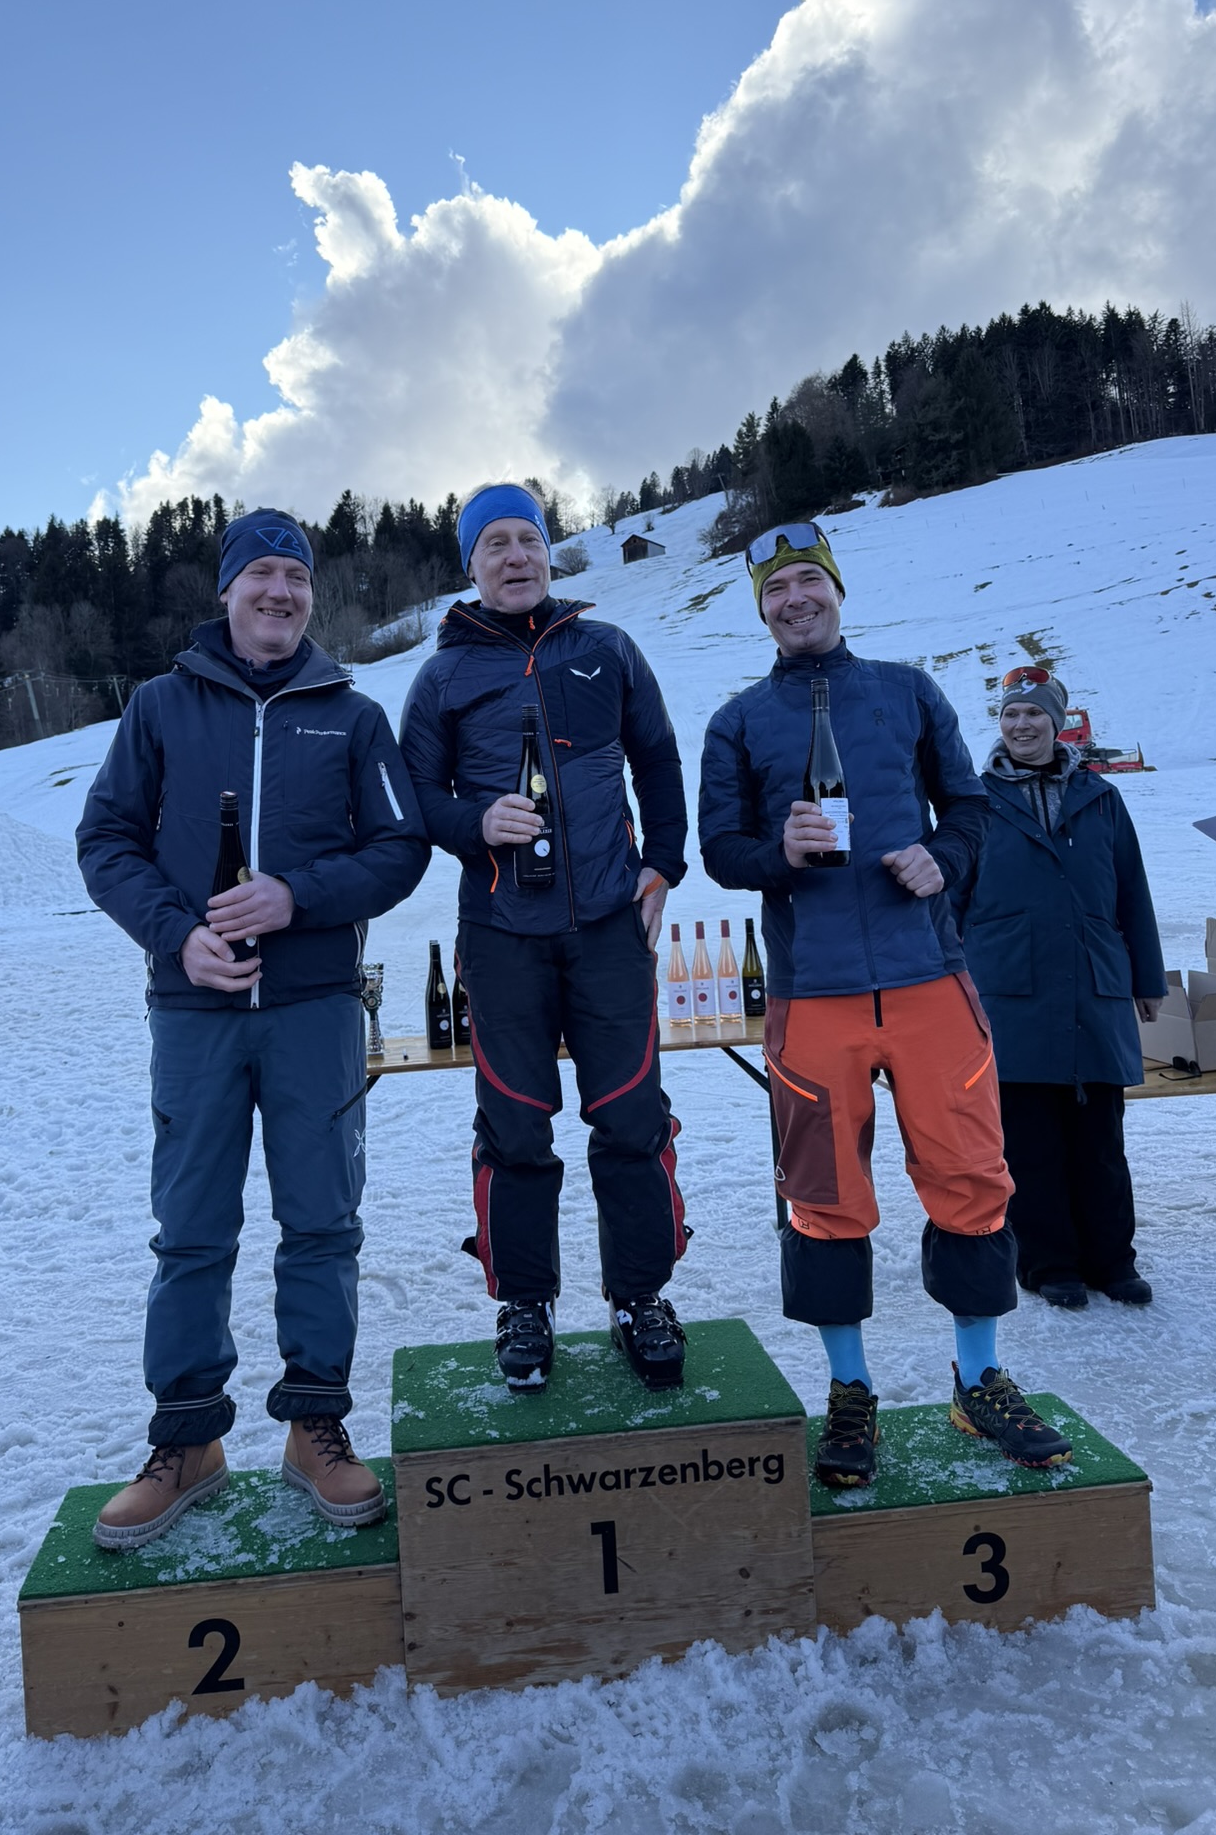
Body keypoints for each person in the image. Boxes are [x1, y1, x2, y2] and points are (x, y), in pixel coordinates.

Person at [76, 508, 429, 1547]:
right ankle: (187, 1439)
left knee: (323, 1221)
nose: (280, 591)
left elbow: (400, 846)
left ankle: (315, 1426)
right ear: (226, 590)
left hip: (316, 1008)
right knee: (191, 1227)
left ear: (311, 594)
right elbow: (106, 839)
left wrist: (296, 896)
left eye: (296, 576)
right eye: (261, 574)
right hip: (196, 1010)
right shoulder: (160, 707)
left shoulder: (351, 716)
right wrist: (179, 935)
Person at [699, 521, 1071, 1486]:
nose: (795, 599)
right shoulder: (737, 721)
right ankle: (849, 1389)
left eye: (808, 580)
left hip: (929, 980)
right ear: (762, 610)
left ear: (837, 589)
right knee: (823, 1196)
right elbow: (721, 852)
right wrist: (779, 853)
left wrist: (941, 858)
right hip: (811, 995)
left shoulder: (907, 691)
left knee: (970, 1176)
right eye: (775, 589)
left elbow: (970, 808)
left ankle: (978, 1379)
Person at [399, 483, 690, 1392]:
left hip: (607, 924)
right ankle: (525, 1302)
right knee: (516, 1125)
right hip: (501, 933)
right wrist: (475, 822)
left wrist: (663, 865)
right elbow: (416, 800)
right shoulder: (442, 676)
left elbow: (657, 757)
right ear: (471, 565)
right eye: (495, 544)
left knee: (631, 1114)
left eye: (527, 538)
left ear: (549, 552)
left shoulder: (607, 647)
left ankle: (639, 1295)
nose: (516, 556)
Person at [953, 667, 1165, 1309]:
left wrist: (1147, 978)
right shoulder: (974, 800)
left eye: (1034, 714)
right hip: (1008, 988)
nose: (1022, 725)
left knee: (1101, 1137)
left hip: (1094, 984)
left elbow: (1132, 889)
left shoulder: (1100, 797)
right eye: (1011, 715)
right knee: (1030, 1138)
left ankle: (1113, 1261)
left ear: (1057, 722)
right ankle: (1050, 1265)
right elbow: (949, 902)